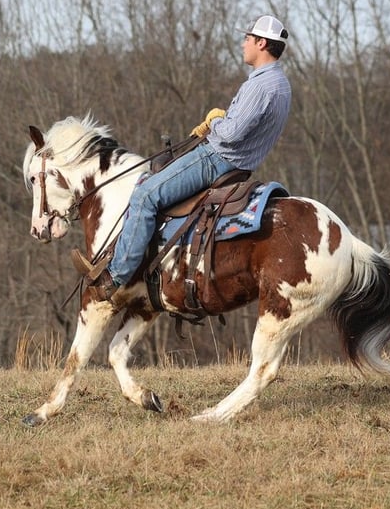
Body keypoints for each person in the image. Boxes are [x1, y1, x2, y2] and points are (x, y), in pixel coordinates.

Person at [88, 15, 292, 302]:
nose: (243, 42)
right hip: (239, 163)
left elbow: (231, 133)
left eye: (248, 38)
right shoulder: (280, 83)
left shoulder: (261, 85)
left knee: (146, 195)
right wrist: (223, 118)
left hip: (216, 158)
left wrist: (214, 121)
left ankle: (116, 277)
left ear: (261, 43)